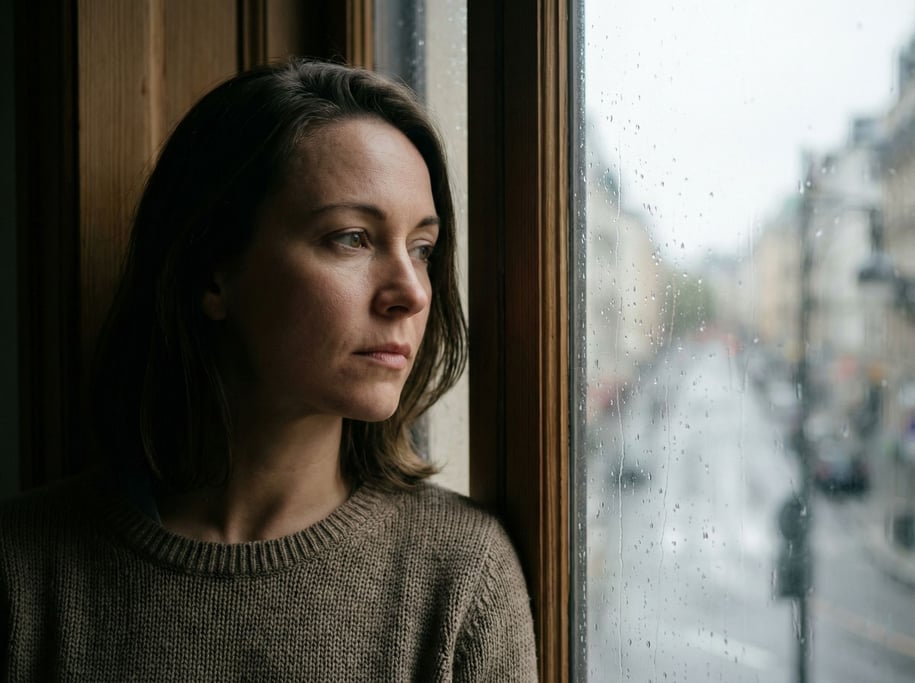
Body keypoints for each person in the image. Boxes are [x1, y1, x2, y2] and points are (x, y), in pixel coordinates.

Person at [0, 59, 537, 681]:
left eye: (422, 249)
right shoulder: (23, 573)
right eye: (352, 238)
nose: (412, 293)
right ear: (212, 274)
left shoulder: (460, 575)